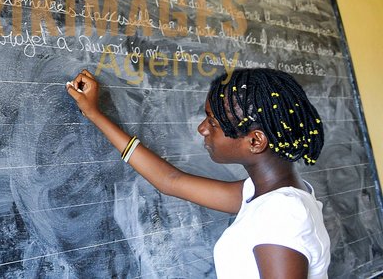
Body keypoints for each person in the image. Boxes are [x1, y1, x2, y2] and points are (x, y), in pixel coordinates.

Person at [67, 67, 330, 278]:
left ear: (255, 141)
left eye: (214, 122)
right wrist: (94, 113)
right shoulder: (264, 195)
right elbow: (171, 181)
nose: (202, 129)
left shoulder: (281, 213)